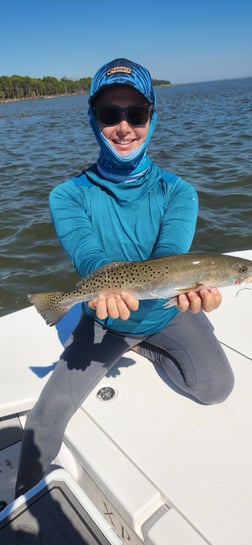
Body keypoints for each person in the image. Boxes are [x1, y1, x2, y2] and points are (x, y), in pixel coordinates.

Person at [15, 58, 234, 497]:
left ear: (152, 117)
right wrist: (99, 290)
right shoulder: (67, 195)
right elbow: (89, 255)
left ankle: (149, 343)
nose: (124, 126)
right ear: (93, 120)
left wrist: (194, 294)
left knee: (215, 388)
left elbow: (171, 256)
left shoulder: (179, 191)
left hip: (166, 311)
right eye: (109, 114)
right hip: (103, 317)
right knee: (42, 424)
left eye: (136, 113)